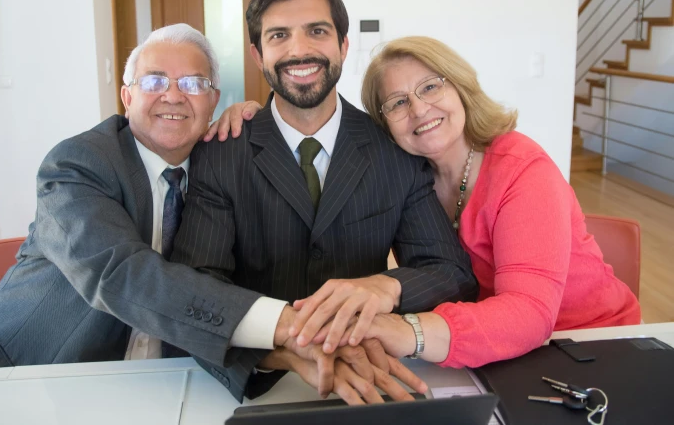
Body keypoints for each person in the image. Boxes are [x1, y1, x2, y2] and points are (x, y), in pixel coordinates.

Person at [0, 24, 414, 405]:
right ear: (127, 97)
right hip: (33, 381)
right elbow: (123, 275)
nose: (173, 96)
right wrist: (291, 328)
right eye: (153, 82)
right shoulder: (78, 164)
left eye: (193, 84)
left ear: (214, 101)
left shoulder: (221, 164)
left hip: (178, 381)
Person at [213, 35, 642, 369]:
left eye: (430, 87)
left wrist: (407, 331)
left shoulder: (522, 170)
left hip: (588, 344)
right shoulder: (407, 170)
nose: (419, 109)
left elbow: (529, 313)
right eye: (398, 103)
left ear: (461, 88)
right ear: (385, 125)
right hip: (493, 348)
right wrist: (262, 116)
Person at [170, 0, 477, 400]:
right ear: (258, 55)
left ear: (343, 46)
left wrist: (385, 286)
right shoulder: (222, 154)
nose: (299, 50)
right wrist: (281, 350)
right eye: (279, 35)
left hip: (375, 371)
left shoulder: (394, 149)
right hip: (259, 380)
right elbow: (195, 288)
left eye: (317, 31)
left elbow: (452, 273)